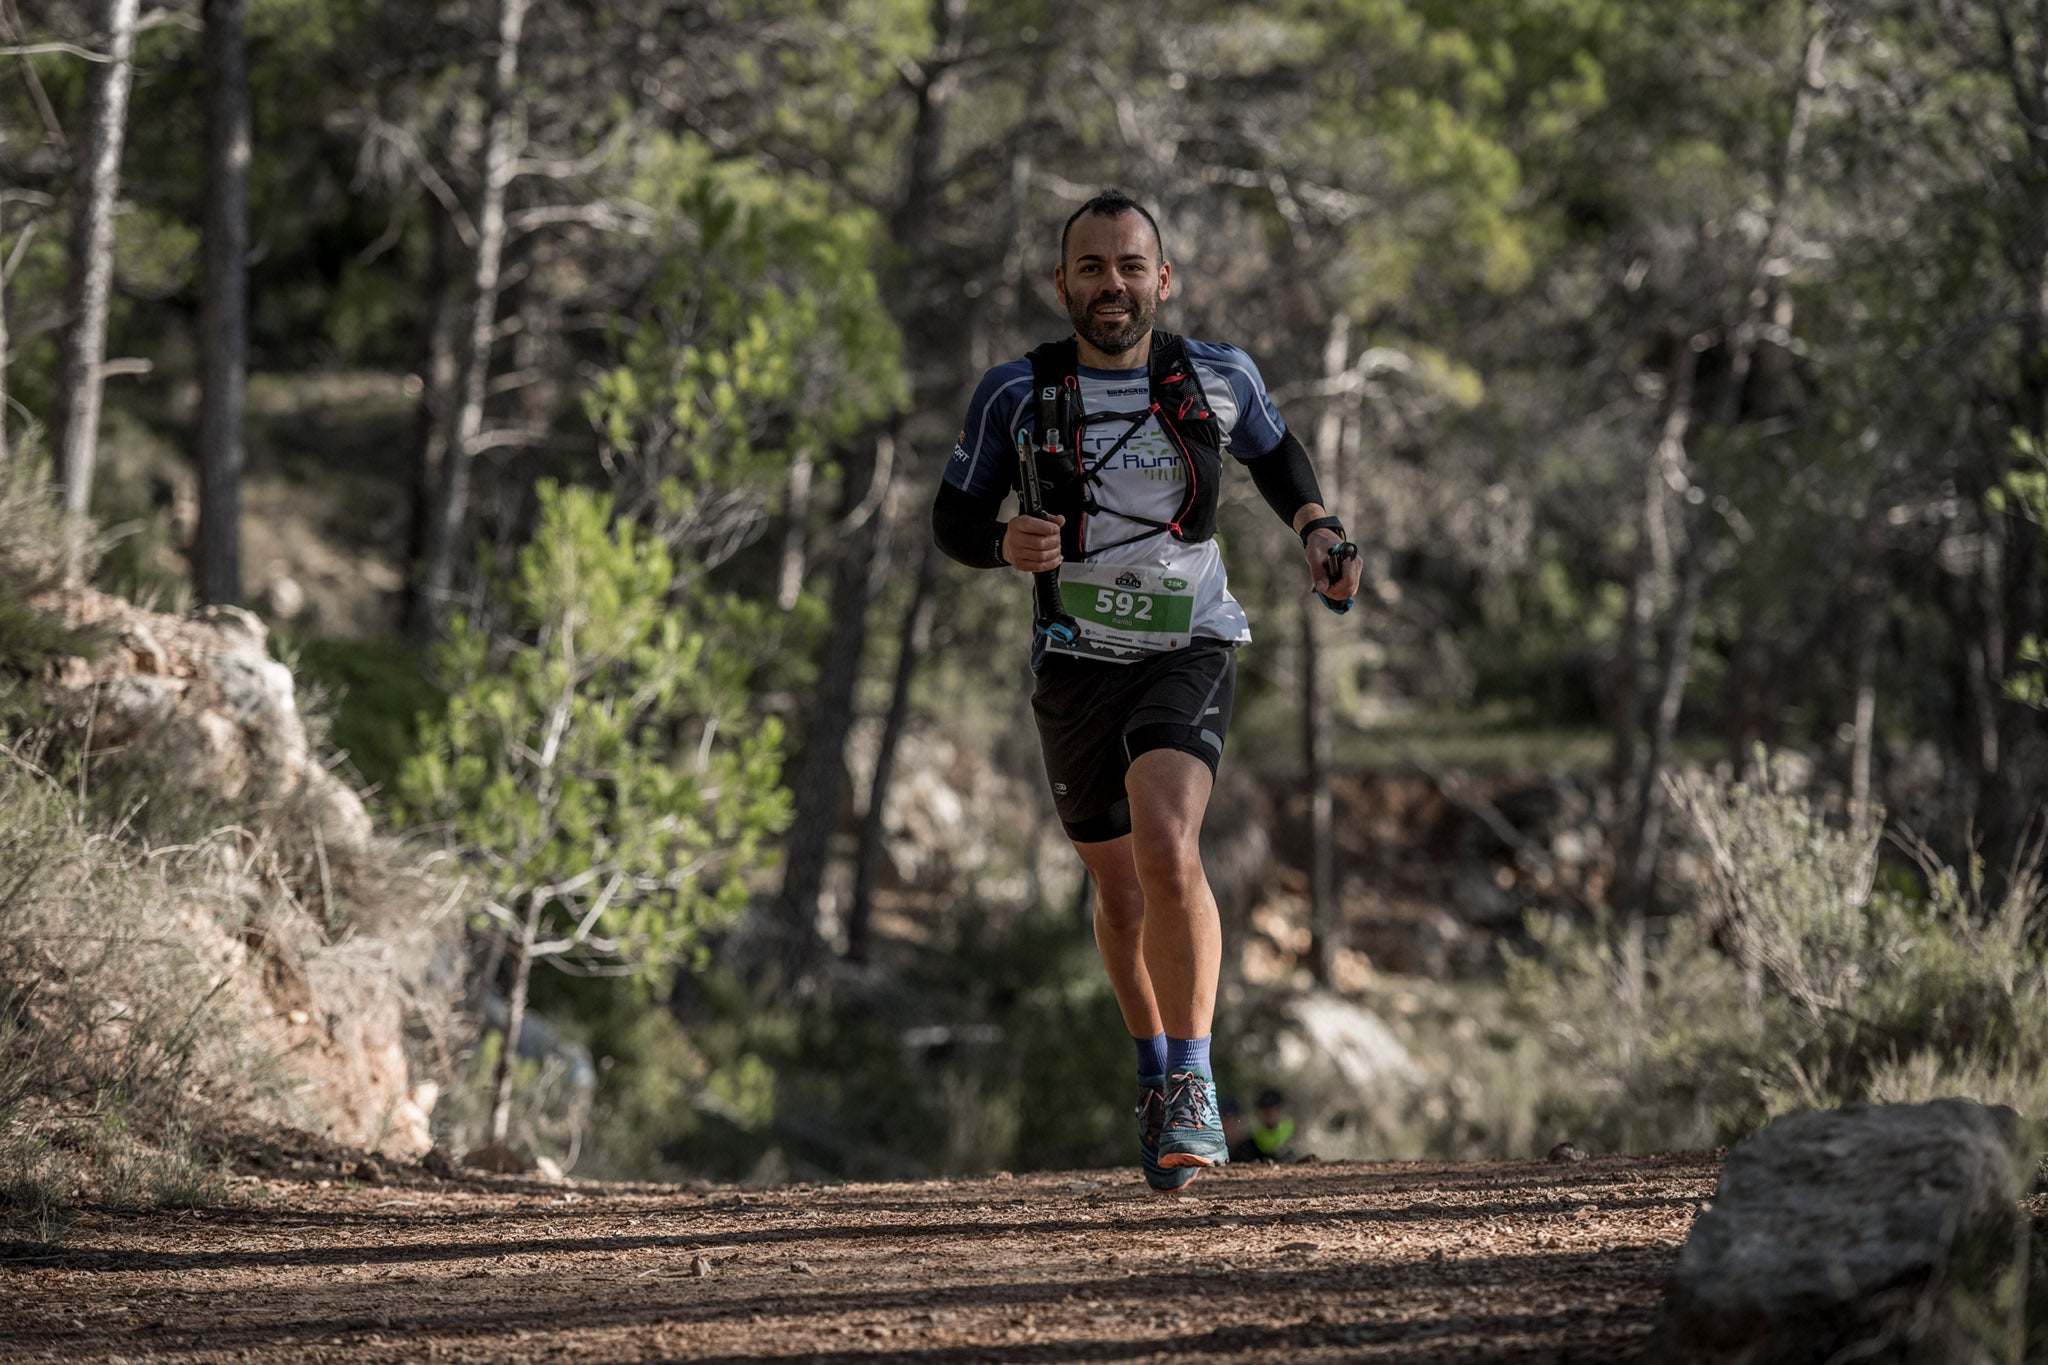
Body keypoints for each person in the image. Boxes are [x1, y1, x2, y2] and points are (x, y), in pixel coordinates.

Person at [931, 188, 1361, 1191]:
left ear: (1161, 280)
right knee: (1118, 892)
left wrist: (1315, 532)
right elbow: (953, 519)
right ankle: (1152, 1066)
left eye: (1131, 266)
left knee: (1168, 847)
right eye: (1091, 268)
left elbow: (1273, 452)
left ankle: (1195, 1087)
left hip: (1190, 641)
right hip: (1072, 662)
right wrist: (1001, 543)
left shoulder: (1217, 375)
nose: (1112, 284)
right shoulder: (1013, 393)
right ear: (1061, 284)